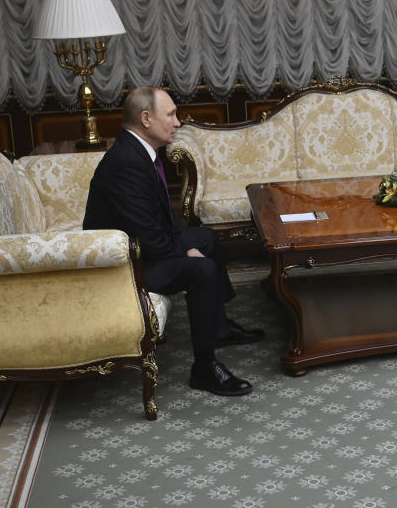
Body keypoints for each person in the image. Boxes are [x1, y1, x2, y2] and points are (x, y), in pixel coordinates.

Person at [84, 86, 264, 396]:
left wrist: (187, 244)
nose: (177, 122)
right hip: (124, 267)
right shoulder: (126, 162)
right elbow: (147, 237)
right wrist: (185, 253)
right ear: (145, 118)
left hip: (142, 250)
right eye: (170, 114)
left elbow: (163, 219)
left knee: (205, 237)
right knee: (202, 269)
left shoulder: (139, 151)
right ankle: (204, 369)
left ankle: (217, 327)